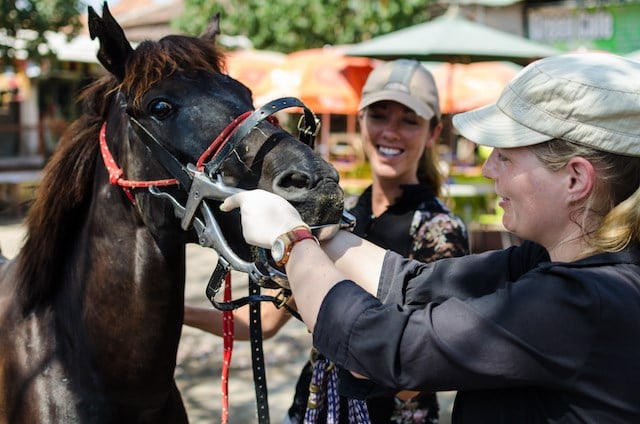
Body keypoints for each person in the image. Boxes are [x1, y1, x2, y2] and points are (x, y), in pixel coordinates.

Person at [220, 52, 640, 422]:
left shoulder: (581, 301)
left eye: (506, 156)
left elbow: (389, 348)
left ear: (575, 178)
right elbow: (415, 284)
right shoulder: (546, 259)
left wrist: (291, 241)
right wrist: (317, 229)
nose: (488, 169)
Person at [184, 59, 469, 423]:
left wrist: (332, 317)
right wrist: (177, 314)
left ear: (433, 132)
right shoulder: (336, 214)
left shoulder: (439, 230)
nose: (391, 132)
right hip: (311, 411)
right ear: (361, 119)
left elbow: (416, 375)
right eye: (379, 116)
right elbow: (266, 321)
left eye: (409, 120)